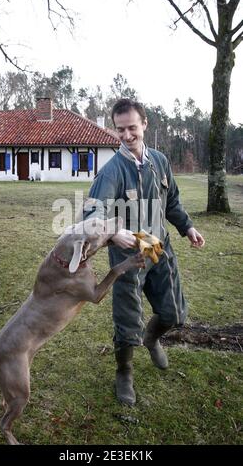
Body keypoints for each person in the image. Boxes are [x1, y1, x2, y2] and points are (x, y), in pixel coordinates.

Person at [83, 98, 205, 406]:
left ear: (145, 124)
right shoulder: (111, 172)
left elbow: (172, 201)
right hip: (128, 258)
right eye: (120, 129)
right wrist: (114, 232)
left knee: (174, 313)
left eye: (132, 128)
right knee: (128, 321)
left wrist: (187, 227)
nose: (126, 135)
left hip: (158, 248)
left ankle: (152, 339)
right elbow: (91, 216)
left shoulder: (160, 162)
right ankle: (124, 372)